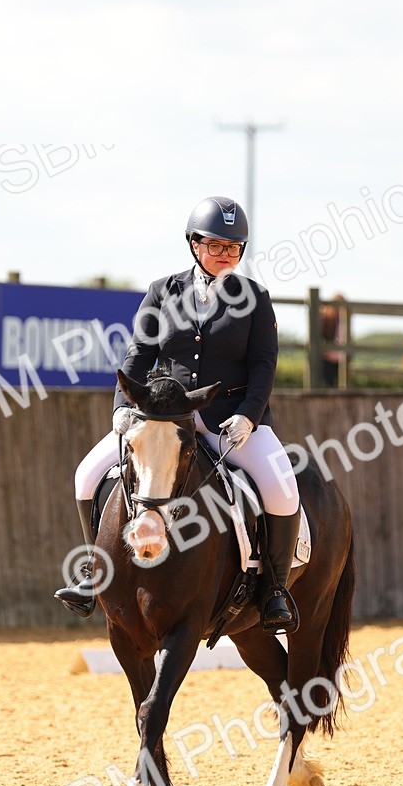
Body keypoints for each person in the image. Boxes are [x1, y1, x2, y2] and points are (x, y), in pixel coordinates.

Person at [54, 195, 301, 633]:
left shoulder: (255, 298)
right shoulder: (161, 291)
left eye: (233, 247)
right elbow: (138, 355)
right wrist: (122, 408)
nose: (225, 254)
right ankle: (95, 571)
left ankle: (274, 589)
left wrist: (249, 415)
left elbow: (264, 365)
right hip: (165, 420)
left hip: (230, 420)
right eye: (215, 245)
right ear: (193, 243)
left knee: (282, 489)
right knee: (87, 475)